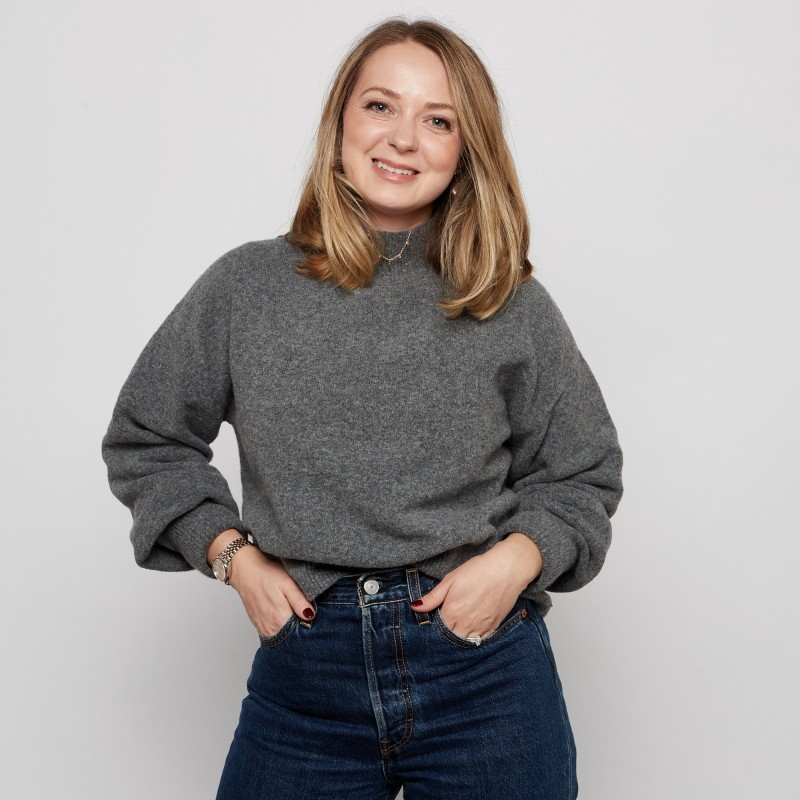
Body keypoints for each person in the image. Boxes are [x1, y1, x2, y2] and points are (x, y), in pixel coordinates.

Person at [103, 17, 623, 800]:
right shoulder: (247, 288)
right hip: (306, 675)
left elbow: (584, 472)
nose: (404, 139)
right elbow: (147, 439)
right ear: (341, 122)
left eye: (438, 120)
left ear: (465, 149)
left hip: (485, 673)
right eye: (381, 106)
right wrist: (230, 557)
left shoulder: (506, 299)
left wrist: (515, 562)